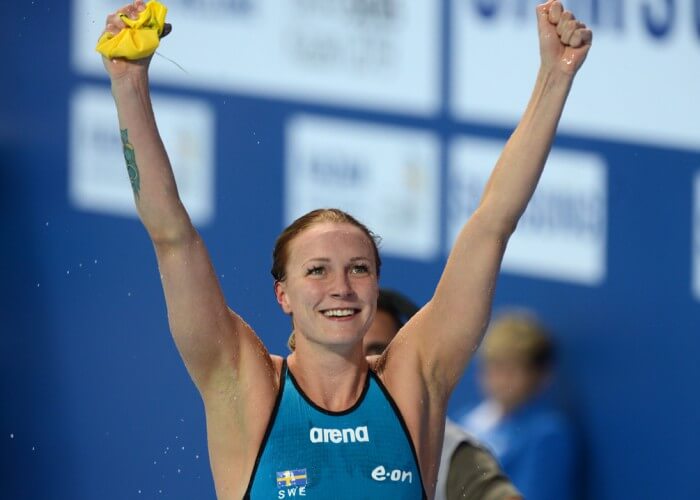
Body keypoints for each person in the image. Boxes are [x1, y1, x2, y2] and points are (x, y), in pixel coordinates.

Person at [99, 1, 591, 498]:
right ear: (282, 295)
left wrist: (555, 75)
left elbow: (492, 224)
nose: (341, 288)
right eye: (317, 270)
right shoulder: (243, 386)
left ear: (377, 286)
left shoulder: (413, 380)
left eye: (358, 269)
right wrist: (129, 83)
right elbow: (172, 235)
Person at [363, 289, 522, 500]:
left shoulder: (451, 456)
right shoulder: (304, 437)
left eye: (377, 352)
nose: (362, 366)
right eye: (345, 351)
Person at [457, 311, 578, 500]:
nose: (501, 380)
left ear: (541, 375)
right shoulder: (463, 418)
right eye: (495, 366)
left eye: (512, 369)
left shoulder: (546, 433)